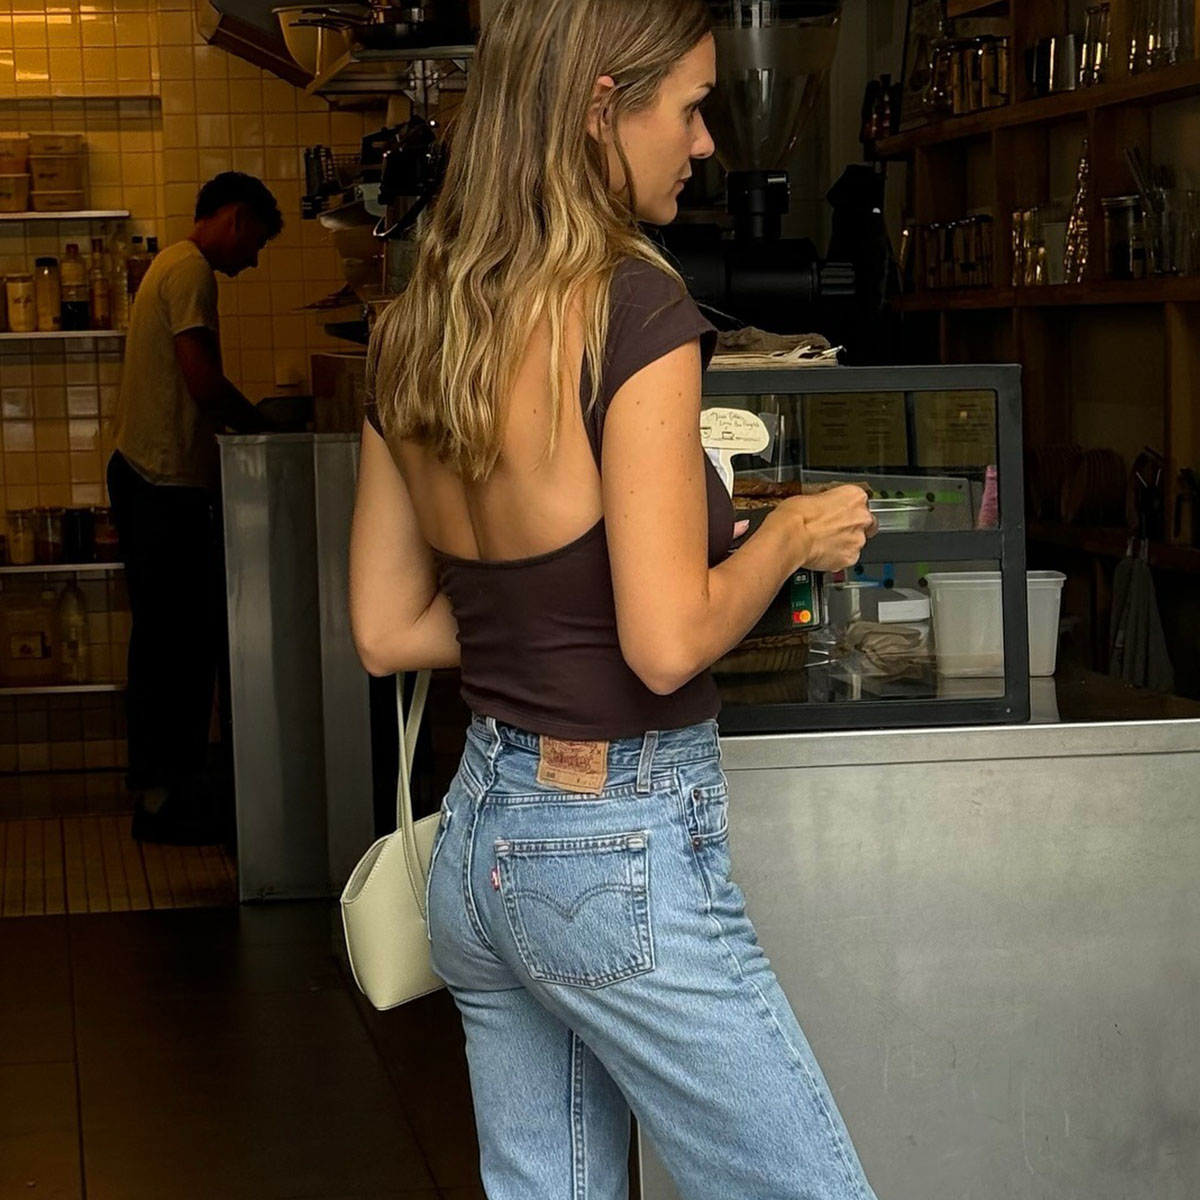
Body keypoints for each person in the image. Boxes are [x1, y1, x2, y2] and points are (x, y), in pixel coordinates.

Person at [350, 2, 880, 1197]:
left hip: (480, 840)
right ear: (602, 106)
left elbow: (386, 631)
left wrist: (546, 616)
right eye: (689, 109)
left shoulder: (413, 327)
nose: (705, 145)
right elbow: (666, 641)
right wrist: (792, 532)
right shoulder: (633, 310)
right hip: (613, 841)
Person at [108, 172, 285, 846]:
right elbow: (201, 379)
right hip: (161, 484)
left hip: (151, 478)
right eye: (258, 243)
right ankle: (162, 801)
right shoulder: (191, 273)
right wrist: (263, 427)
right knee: (174, 646)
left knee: (168, 642)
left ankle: (165, 792)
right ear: (235, 219)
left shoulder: (172, 267)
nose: (254, 260)